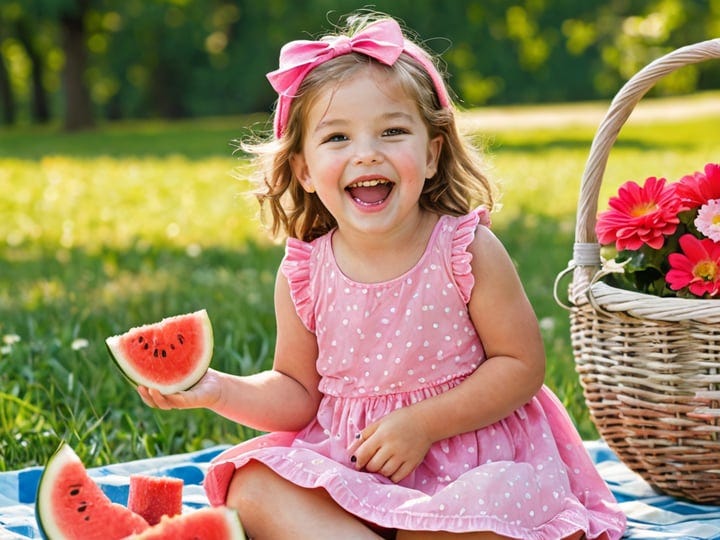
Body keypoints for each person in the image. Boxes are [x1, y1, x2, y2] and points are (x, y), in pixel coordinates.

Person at [138, 12, 626, 540]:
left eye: (393, 131)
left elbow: (521, 365)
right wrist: (214, 388)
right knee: (251, 484)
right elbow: (296, 392)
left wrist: (423, 424)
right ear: (302, 169)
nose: (366, 152)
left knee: (487, 506)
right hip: (355, 470)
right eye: (337, 138)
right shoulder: (305, 269)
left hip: (469, 463)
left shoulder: (464, 248)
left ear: (433, 153)